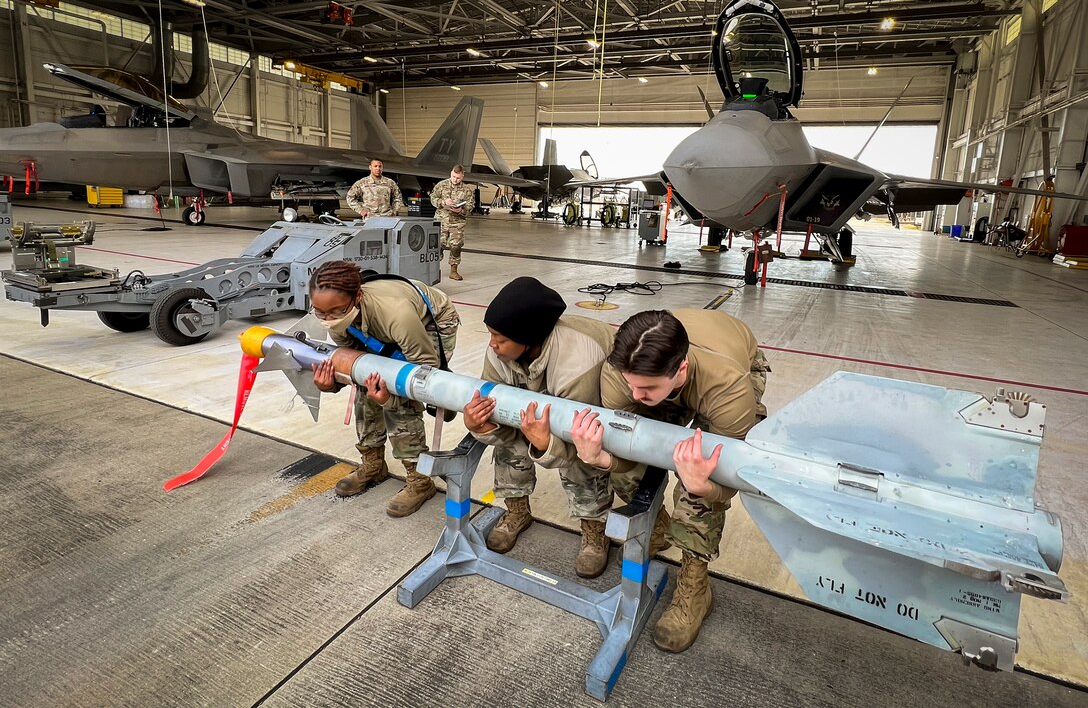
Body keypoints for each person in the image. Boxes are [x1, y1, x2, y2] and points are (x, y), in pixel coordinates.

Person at [570, 309, 770, 653]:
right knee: (626, 464)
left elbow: (734, 477)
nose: (634, 395)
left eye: (645, 388)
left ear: (681, 370)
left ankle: (695, 584)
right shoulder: (622, 376)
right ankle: (658, 529)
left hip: (731, 362)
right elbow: (626, 446)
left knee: (700, 488)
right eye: (630, 383)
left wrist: (705, 487)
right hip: (677, 365)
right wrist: (603, 459)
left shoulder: (728, 389)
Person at [461, 277, 630, 577]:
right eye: (491, 335)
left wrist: (544, 444)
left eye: (499, 337)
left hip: (591, 408)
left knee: (586, 456)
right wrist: (482, 427)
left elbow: (580, 443)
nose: (492, 344)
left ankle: (594, 529)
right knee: (509, 441)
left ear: (528, 337)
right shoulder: (501, 351)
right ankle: (517, 512)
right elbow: (499, 418)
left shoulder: (579, 361)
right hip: (547, 395)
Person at [308, 260, 460, 517]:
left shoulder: (397, 314)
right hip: (387, 323)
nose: (328, 320)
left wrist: (390, 398)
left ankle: (420, 480)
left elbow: (424, 372)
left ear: (358, 297)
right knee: (367, 388)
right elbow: (352, 366)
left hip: (430, 322)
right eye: (320, 313)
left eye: (335, 311)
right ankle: (373, 463)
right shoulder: (339, 315)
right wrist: (330, 384)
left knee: (400, 399)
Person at [429, 164, 471, 281]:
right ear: (451, 173)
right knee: (437, 245)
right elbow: (433, 198)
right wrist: (443, 202)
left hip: (456, 223)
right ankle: (434, 269)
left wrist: (461, 210)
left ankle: (454, 271)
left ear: (462, 176)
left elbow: (470, 207)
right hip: (441, 221)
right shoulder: (441, 185)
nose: (455, 179)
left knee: (456, 246)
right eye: (453, 176)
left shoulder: (467, 190)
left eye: (458, 177)